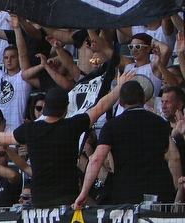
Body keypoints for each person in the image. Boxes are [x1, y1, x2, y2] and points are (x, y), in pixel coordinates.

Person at [0, 69, 133, 208]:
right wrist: (119, 87)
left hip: (40, 199)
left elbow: (3, 138)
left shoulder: (30, 129)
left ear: (45, 107)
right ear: (66, 108)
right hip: (67, 197)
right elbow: (101, 106)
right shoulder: (72, 125)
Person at [75, 78, 180, 207]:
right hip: (160, 192)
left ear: (120, 102)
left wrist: (84, 192)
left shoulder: (111, 126)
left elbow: (96, 159)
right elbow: (168, 153)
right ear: (144, 100)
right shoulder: (161, 123)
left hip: (127, 194)